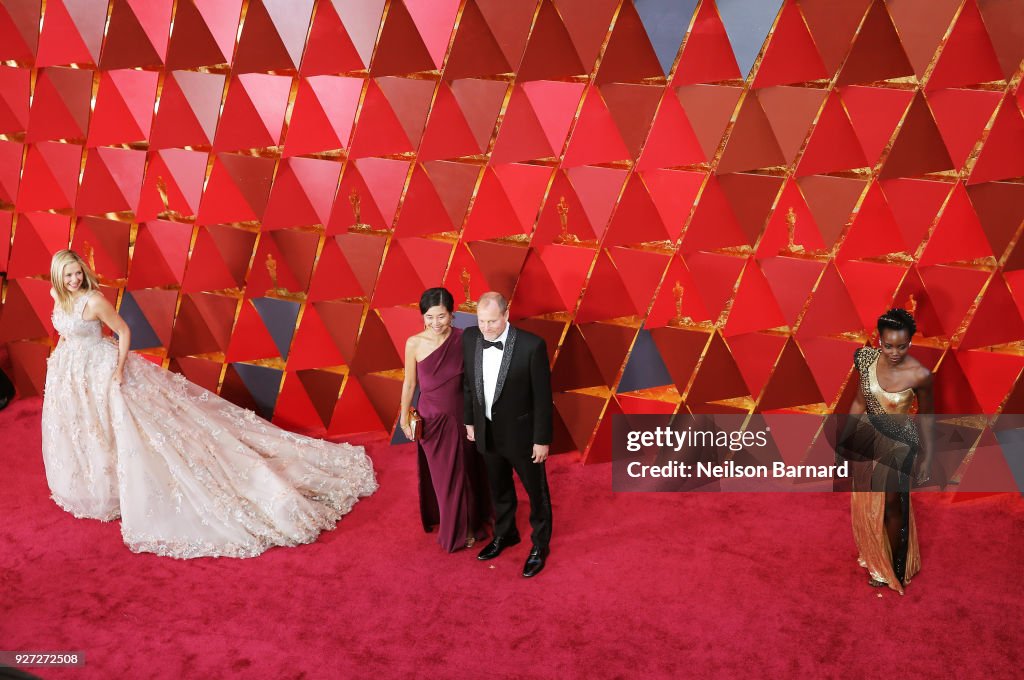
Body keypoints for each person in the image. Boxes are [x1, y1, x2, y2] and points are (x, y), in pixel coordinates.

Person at [41, 250, 377, 558]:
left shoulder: (95, 301)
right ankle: (108, 486)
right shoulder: (58, 296)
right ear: (58, 278)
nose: (75, 280)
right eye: (68, 275)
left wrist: (117, 371)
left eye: (78, 274)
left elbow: (123, 331)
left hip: (103, 369)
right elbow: (66, 331)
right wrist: (60, 358)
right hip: (72, 371)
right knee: (92, 429)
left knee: (137, 430)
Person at [842, 308, 934, 594]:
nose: (895, 352)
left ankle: (895, 571)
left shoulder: (920, 375)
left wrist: (927, 457)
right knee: (870, 506)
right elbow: (859, 401)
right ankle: (876, 559)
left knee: (893, 506)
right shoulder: (866, 360)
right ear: (878, 340)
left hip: (898, 445)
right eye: (888, 345)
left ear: (911, 341)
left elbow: (928, 418)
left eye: (903, 345)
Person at [462, 292, 553, 577]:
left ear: (506, 315)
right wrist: (470, 421)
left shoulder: (532, 346)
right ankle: (506, 534)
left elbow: (542, 398)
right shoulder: (470, 337)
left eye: (492, 321)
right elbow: (468, 384)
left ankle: (540, 544)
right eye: (481, 321)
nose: (486, 328)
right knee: (498, 489)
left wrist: (541, 439)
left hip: (523, 436)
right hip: (486, 431)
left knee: (536, 493)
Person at [398, 288, 490, 552]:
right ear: (423, 316)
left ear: (452, 314)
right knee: (443, 478)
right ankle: (454, 523)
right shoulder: (413, 343)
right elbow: (409, 383)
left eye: (441, 316)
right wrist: (404, 418)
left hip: (461, 418)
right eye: (429, 317)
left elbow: (476, 381)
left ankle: (467, 527)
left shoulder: (464, 339)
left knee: (464, 472)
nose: (435, 323)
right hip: (431, 420)